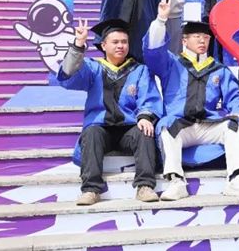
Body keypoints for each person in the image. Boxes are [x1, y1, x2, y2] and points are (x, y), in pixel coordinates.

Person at [142, 0, 239, 200]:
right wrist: (161, 20)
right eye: (197, 37)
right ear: (184, 41)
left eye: (206, 37)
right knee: (166, 127)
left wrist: (237, 112)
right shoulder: (171, 64)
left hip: (208, 125)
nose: (203, 41)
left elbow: (234, 97)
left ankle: (236, 180)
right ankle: (176, 182)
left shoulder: (218, 69)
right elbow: (153, 51)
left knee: (233, 126)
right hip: (181, 125)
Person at [57, 19, 162, 206]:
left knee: (144, 131)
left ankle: (145, 186)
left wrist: (145, 116)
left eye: (124, 42)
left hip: (128, 128)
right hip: (101, 128)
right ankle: (90, 189)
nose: (121, 46)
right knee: (91, 132)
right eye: (115, 42)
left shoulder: (140, 70)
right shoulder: (92, 68)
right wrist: (79, 44)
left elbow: (148, 98)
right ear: (103, 45)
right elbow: (68, 73)